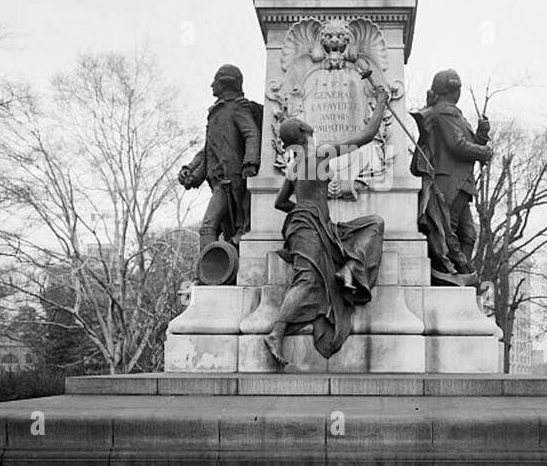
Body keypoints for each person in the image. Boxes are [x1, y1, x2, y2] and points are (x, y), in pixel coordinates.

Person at [263, 79, 388, 367]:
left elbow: (280, 203)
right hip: (309, 226)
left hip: (311, 225)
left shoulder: (295, 167)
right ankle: (276, 332)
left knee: (372, 224)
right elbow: (367, 136)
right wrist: (381, 102)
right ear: (306, 132)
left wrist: (305, 210)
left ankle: (349, 268)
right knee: (307, 280)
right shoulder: (319, 154)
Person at [178, 65, 262, 258]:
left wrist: (250, 163)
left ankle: (208, 275)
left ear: (225, 83)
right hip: (217, 180)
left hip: (230, 180)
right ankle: (224, 272)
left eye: (215, 81)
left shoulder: (237, 107)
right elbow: (208, 150)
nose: (211, 85)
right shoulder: (217, 112)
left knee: (208, 226)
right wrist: (190, 171)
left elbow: (251, 134)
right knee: (228, 233)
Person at [414, 70, 492, 271]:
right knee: (450, 230)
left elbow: (463, 145)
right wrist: (483, 151)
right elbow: (457, 145)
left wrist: (481, 135)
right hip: (450, 181)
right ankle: (447, 272)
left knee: (468, 234)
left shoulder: (452, 113)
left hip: (461, 182)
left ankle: (459, 274)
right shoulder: (445, 112)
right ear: (453, 90)